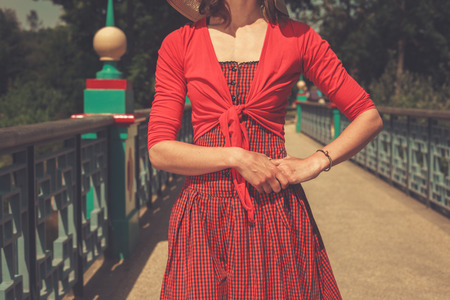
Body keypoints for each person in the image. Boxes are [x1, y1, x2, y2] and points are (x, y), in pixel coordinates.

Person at [148, 0, 383, 298]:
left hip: (272, 211)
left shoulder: (298, 37)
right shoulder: (179, 42)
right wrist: (235, 156)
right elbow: (159, 149)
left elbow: (368, 115)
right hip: (203, 217)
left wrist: (316, 161)